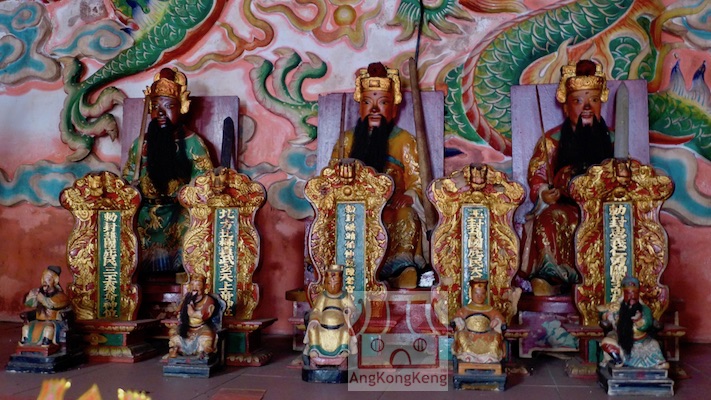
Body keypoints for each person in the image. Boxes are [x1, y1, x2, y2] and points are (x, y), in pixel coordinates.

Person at [522, 60, 614, 295]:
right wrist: (544, 193)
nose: (587, 107)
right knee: (550, 219)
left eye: (594, 100)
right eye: (578, 101)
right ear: (566, 107)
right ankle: (552, 277)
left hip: (603, 208)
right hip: (567, 207)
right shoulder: (552, 141)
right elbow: (538, 175)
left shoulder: (613, 140)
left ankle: (608, 277)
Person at [333, 62, 426, 289]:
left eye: (382, 102)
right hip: (356, 208)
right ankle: (347, 269)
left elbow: (418, 180)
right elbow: (329, 179)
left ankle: (399, 269)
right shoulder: (347, 141)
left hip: (392, 208)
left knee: (407, 214)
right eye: (367, 102)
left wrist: (410, 195)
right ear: (360, 108)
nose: (374, 109)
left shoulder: (404, 141)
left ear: (393, 109)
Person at [122, 67, 213, 274]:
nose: (160, 112)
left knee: (195, 231)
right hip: (143, 217)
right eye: (155, 106)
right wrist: (129, 188)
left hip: (178, 216)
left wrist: (189, 194)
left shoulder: (193, 143)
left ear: (182, 107)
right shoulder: (141, 144)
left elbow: (204, 185)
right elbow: (126, 180)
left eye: (168, 106)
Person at [598, 276, 668, 369]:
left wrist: (638, 320)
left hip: (642, 341)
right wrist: (607, 312)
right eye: (628, 293)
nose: (632, 296)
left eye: (635, 293)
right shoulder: (617, 308)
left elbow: (647, 323)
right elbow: (601, 311)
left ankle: (658, 363)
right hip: (622, 341)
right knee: (606, 342)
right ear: (623, 294)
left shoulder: (645, 309)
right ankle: (619, 360)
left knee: (654, 344)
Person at [303, 264, 357, 365]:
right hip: (322, 326)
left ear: (341, 283)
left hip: (340, 326)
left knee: (346, 332)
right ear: (325, 283)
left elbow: (353, 309)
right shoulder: (322, 296)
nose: (332, 286)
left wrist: (349, 311)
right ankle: (315, 349)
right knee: (313, 330)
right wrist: (315, 320)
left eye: (336, 283)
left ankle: (343, 349)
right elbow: (316, 310)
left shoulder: (345, 296)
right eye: (329, 283)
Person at [451, 279, 506, 364]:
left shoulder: (490, 310)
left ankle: (490, 357)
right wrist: (458, 321)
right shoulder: (465, 309)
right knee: (461, 335)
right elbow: (456, 318)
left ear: (486, 294)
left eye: (482, 293)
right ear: (471, 294)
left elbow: (501, 319)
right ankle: (467, 356)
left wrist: (497, 321)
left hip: (487, 335)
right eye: (476, 293)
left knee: (496, 337)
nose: (479, 296)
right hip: (469, 335)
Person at [168, 275, 221, 359]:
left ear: (205, 287)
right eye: (192, 284)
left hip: (201, 327)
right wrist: (182, 304)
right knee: (173, 331)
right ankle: (175, 349)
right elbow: (178, 309)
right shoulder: (187, 297)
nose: (194, 288)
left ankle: (203, 351)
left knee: (208, 335)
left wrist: (193, 313)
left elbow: (205, 315)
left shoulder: (208, 299)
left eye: (198, 285)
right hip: (187, 326)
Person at [20, 266, 70, 347]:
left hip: (54, 321)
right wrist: (31, 296)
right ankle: (26, 342)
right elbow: (30, 304)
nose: (44, 281)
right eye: (43, 278)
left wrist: (43, 299)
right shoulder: (40, 294)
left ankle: (46, 343)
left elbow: (53, 304)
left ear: (55, 280)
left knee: (48, 329)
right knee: (26, 328)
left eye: (48, 279)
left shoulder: (61, 296)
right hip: (39, 321)